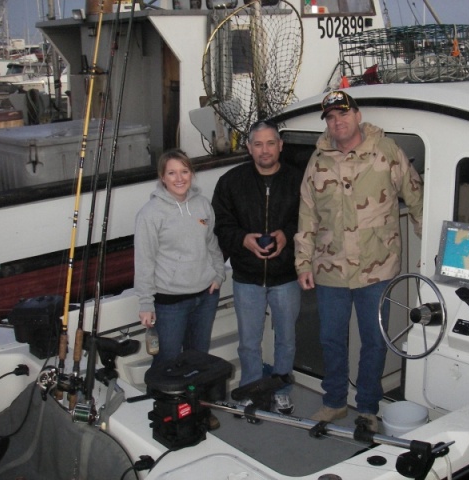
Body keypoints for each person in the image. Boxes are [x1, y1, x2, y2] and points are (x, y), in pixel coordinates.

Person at [294, 90, 423, 433]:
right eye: (331, 118)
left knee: (375, 340)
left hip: (376, 267)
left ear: (357, 115)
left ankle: (367, 406)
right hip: (330, 268)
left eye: (343, 114)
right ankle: (334, 401)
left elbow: (416, 196)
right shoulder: (318, 160)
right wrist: (303, 264)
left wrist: (438, 249)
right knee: (331, 339)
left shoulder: (387, 152)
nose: (338, 122)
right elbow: (307, 215)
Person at [212, 120, 302, 414]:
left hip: (286, 275)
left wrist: (285, 235)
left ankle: (281, 389)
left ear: (281, 146)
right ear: (248, 148)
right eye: (258, 144)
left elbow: (309, 220)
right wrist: (243, 240)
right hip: (247, 276)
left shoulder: (297, 180)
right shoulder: (230, 182)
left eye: (271, 143)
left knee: (286, 340)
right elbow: (221, 225)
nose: (265, 150)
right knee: (249, 342)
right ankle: (252, 389)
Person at [134, 148, 226, 370]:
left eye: (184, 171)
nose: (179, 178)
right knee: (168, 362)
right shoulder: (150, 214)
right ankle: (164, 404)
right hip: (170, 304)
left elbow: (211, 243)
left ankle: (193, 404)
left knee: (198, 359)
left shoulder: (203, 204)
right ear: (162, 177)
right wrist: (146, 303)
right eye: (172, 173)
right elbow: (144, 260)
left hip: (205, 297)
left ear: (191, 174)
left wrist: (219, 274)